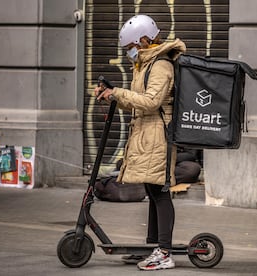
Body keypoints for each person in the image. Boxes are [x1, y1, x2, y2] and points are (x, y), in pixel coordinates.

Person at [95, 14, 186, 271]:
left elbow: (151, 102)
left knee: (160, 192)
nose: (128, 53)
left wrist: (119, 93)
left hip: (158, 135)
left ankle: (164, 252)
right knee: (153, 190)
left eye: (130, 48)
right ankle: (152, 247)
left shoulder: (160, 65)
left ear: (144, 40)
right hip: (147, 133)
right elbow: (138, 100)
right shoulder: (145, 64)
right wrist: (112, 95)